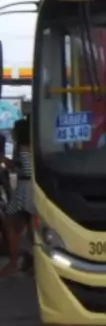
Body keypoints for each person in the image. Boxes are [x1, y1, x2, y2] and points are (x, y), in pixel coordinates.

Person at [0, 117, 33, 277]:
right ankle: (27, 260)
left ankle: (13, 264)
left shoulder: (23, 149)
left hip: (25, 191)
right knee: (26, 228)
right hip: (30, 190)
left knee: (10, 224)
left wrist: (5, 160)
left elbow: (25, 170)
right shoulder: (32, 147)